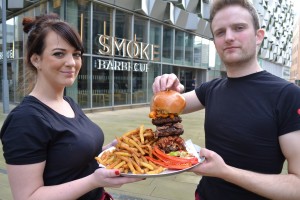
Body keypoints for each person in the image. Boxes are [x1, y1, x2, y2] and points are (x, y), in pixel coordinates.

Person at [152, 0, 300, 199]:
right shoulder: (211, 89)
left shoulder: (288, 94)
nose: (229, 37)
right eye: (220, 32)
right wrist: (169, 90)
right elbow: (162, 107)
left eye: (239, 28)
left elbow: (297, 185)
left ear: (259, 36)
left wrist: (225, 171)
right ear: (215, 42)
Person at [0, 13, 143, 200]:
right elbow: (27, 197)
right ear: (36, 60)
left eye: (76, 54)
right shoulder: (25, 120)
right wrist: (94, 181)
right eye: (59, 53)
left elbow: (71, 159)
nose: (71, 63)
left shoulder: (68, 103)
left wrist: (112, 150)